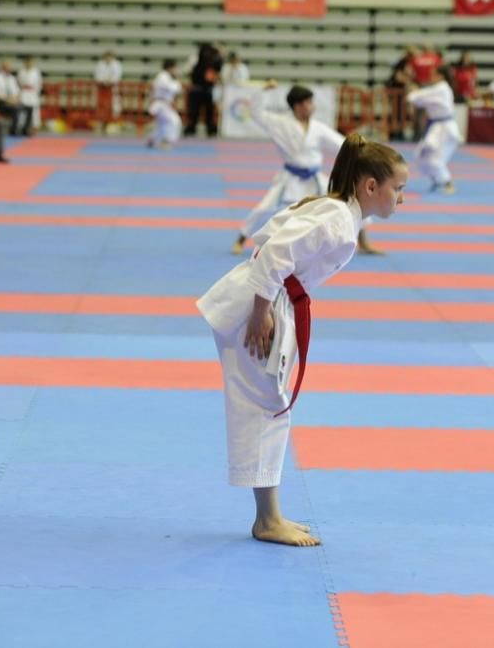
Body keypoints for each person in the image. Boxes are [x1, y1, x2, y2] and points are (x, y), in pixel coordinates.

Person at [197, 134, 408, 547]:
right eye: (398, 189)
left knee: (270, 405)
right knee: (268, 406)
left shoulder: (338, 213)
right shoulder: (334, 219)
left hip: (269, 297)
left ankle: (269, 515)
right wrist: (261, 313)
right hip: (259, 303)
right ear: (370, 186)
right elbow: (275, 252)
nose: (402, 198)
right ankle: (267, 519)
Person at [230, 83, 376, 255]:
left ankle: (364, 243)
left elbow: (340, 143)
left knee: (351, 200)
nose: (311, 106)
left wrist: (364, 148)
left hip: (315, 177)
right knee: (265, 208)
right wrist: (263, 91)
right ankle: (240, 240)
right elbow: (255, 113)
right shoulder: (279, 123)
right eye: (308, 102)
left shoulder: (317, 127)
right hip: (290, 177)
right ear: (298, 106)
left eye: (311, 102)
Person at [408, 65, 461, 194]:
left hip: (446, 129)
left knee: (435, 159)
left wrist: (414, 91)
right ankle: (437, 179)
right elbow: (417, 100)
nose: (430, 77)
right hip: (436, 128)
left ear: (441, 76)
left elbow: (414, 98)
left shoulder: (442, 89)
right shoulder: (437, 89)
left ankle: (448, 183)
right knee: (421, 155)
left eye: (433, 74)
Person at [184, 42, 222, 137]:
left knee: (207, 110)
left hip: (206, 88)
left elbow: (218, 68)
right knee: (194, 110)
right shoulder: (195, 58)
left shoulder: (214, 59)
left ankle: (209, 129)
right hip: (198, 87)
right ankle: (192, 128)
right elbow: (188, 71)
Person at [147, 58, 182, 150]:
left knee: (162, 124)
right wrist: (176, 78)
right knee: (174, 121)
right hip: (161, 104)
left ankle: (153, 139)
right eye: (175, 68)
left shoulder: (166, 77)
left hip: (163, 104)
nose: (176, 70)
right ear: (170, 68)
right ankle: (166, 141)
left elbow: (178, 89)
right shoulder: (163, 76)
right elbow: (173, 88)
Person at [0, 59, 31, 136]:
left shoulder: (12, 78)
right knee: (15, 109)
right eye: (8, 67)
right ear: (2, 67)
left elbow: (17, 92)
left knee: (28, 108)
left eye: (10, 67)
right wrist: (8, 100)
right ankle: (13, 131)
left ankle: (25, 130)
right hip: (1, 103)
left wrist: (15, 99)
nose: (10, 69)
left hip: (13, 102)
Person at [94, 50, 122, 130]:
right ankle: (101, 123)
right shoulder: (100, 64)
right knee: (101, 106)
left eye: (110, 57)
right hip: (102, 89)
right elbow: (97, 75)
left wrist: (110, 81)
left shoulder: (117, 65)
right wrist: (103, 81)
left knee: (114, 106)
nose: (108, 59)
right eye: (107, 57)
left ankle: (114, 122)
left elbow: (117, 76)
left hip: (113, 88)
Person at [17, 55, 42, 133]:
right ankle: (22, 127)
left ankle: (34, 127)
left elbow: (39, 84)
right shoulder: (21, 71)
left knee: (34, 111)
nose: (29, 63)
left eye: (30, 61)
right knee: (22, 110)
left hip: (33, 93)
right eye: (27, 61)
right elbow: (19, 83)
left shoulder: (36, 72)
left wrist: (36, 93)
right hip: (23, 92)